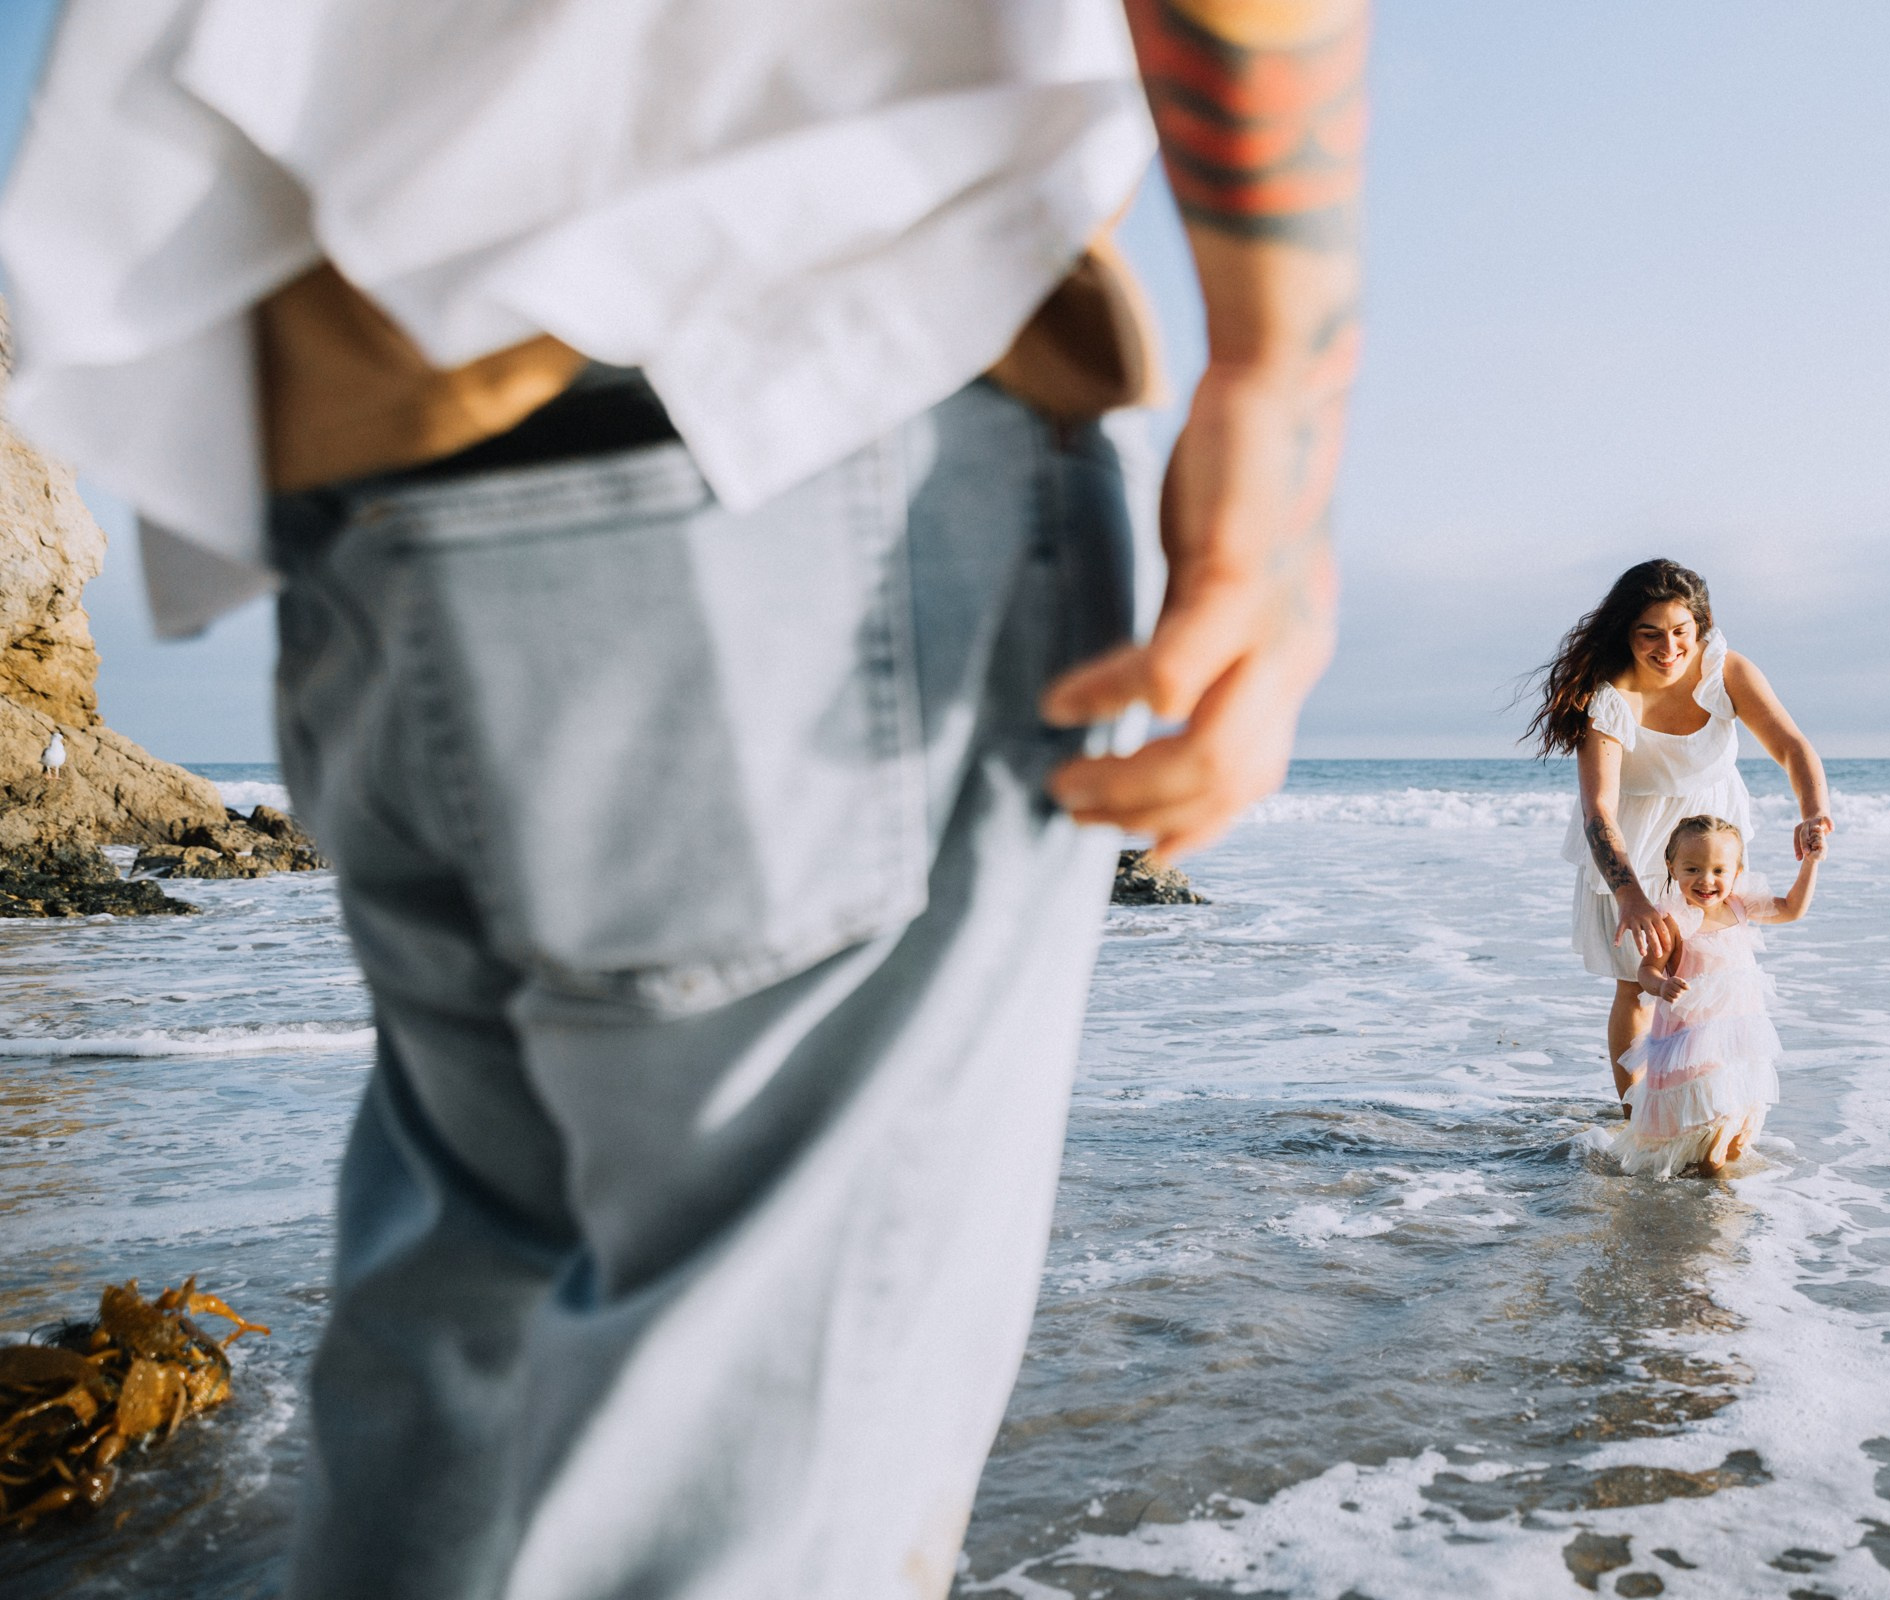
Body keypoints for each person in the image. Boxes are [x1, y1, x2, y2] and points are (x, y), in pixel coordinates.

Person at [0, 1, 1366, 1595]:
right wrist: (1280, 378)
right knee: (759, 1516)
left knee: (461, 1426)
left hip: (373, 468)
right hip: (806, 406)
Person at [1526, 558, 1832, 1101]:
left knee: (1715, 971)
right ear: (1626, 632)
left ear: (1701, 626)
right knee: (1638, 983)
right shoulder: (1609, 697)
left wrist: (1814, 812)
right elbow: (1599, 810)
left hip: (1709, 832)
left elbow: (1791, 746)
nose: (1668, 649)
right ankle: (1638, 1118)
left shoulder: (1725, 670)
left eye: (1680, 632)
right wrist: (1630, 896)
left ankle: (1710, 1106)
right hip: (1632, 838)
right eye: (1650, 634)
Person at [1606, 812, 1818, 1178]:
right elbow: (1646, 971)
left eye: (1719, 870)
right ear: (1671, 867)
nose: (1706, 880)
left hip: (1737, 1037)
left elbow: (1792, 908)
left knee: (1735, 1130)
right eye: (1693, 869)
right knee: (1711, 1126)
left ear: (1737, 871)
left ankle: (1709, 1183)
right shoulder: (1672, 920)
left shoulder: (1739, 905)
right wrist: (1661, 986)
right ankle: (1712, 1190)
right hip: (1691, 1043)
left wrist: (1811, 863)